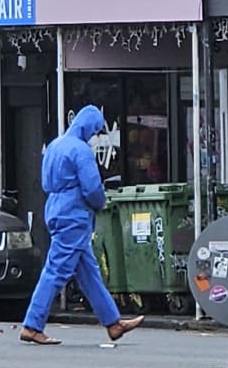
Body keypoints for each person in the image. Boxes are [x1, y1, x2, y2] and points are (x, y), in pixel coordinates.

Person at [20, 104, 144, 345]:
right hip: (74, 214)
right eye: (96, 130)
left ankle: (113, 323)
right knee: (56, 270)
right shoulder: (81, 150)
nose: (94, 135)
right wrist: (100, 204)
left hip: (55, 208)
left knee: (88, 272)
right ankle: (32, 325)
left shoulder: (55, 145)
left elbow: (45, 180)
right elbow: (92, 187)